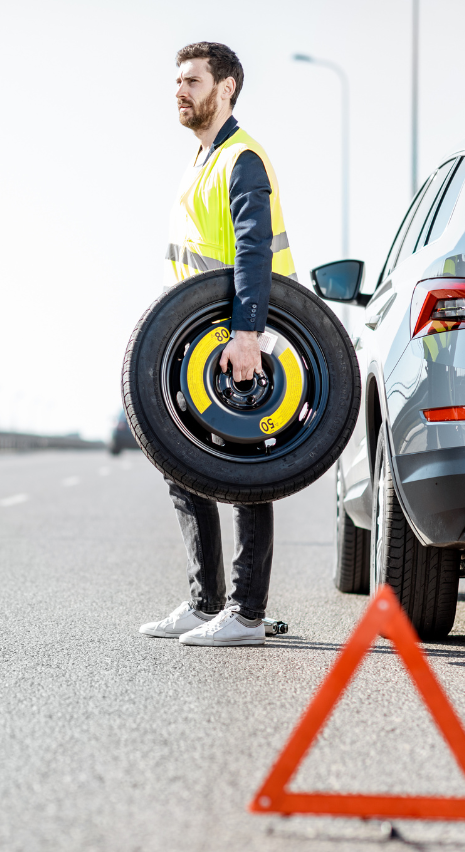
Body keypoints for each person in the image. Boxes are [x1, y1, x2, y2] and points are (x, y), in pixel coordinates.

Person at [139, 42, 295, 647]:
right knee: (186, 468)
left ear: (225, 88)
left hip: (241, 341)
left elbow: (254, 249)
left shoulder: (242, 159)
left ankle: (247, 614)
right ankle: (206, 603)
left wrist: (248, 333)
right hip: (193, 342)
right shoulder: (200, 159)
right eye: (176, 80)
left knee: (243, 471)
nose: (180, 90)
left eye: (192, 80)